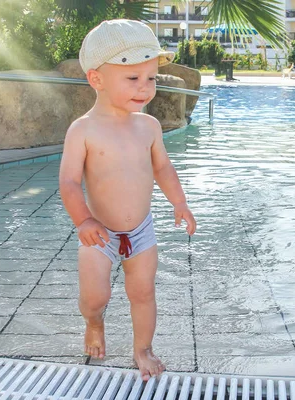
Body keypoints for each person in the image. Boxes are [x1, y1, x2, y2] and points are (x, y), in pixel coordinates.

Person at [59, 19, 197, 381]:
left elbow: (163, 168)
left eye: (150, 77)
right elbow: (70, 182)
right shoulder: (83, 130)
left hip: (141, 231)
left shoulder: (148, 127)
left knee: (143, 292)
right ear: (97, 79)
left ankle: (143, 349)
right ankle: (94, 323)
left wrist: (179, 202)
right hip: (98, 233)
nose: (145, 87)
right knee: (95, 297)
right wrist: (84, 221)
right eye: (132, 78)